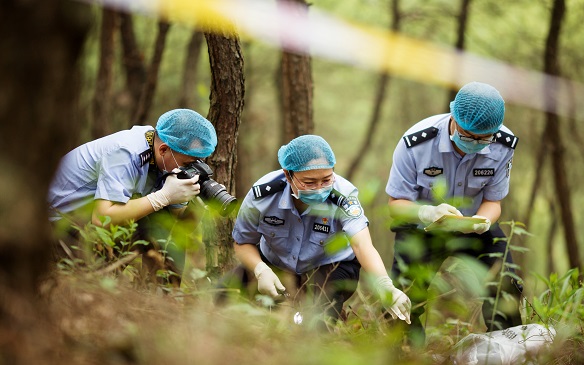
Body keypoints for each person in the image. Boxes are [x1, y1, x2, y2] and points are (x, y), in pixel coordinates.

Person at [217, 135, 410, 325]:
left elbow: (362, 245)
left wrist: (386, 286)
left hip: (330, 267)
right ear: (287, 175)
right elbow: (243, 242)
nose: (319, 188)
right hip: (275, 262)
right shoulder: (263, 196)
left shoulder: (344, 196)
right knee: (221, 296)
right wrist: (260, 271)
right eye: (309, 182)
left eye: (326, 180)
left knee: (317, 321)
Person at [385, 82, 522, 345]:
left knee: (506, 283)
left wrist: (483, 221)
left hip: (472, 226)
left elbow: (494, 201)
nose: (476, 143)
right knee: (404, 297)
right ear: (453, 118)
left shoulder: (504, 144)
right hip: (421, 226)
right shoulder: (415, 143)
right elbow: (396, 204)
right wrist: (426, 212)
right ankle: (408, 355)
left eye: (485, 138)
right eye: (469, 135)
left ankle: (506, 349)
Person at [48, 108, 218, 284]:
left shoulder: (161, 157)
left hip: (84, 221)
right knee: (146, 223)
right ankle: (96, 286)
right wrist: (163, 197)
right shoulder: (124, 152)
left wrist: (198, 204)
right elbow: (102, 218)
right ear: (163, 150)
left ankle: (164, 299)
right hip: (55, 225)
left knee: (161, 224)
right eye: (187, 164)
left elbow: (176, 228)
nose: (188, 169)